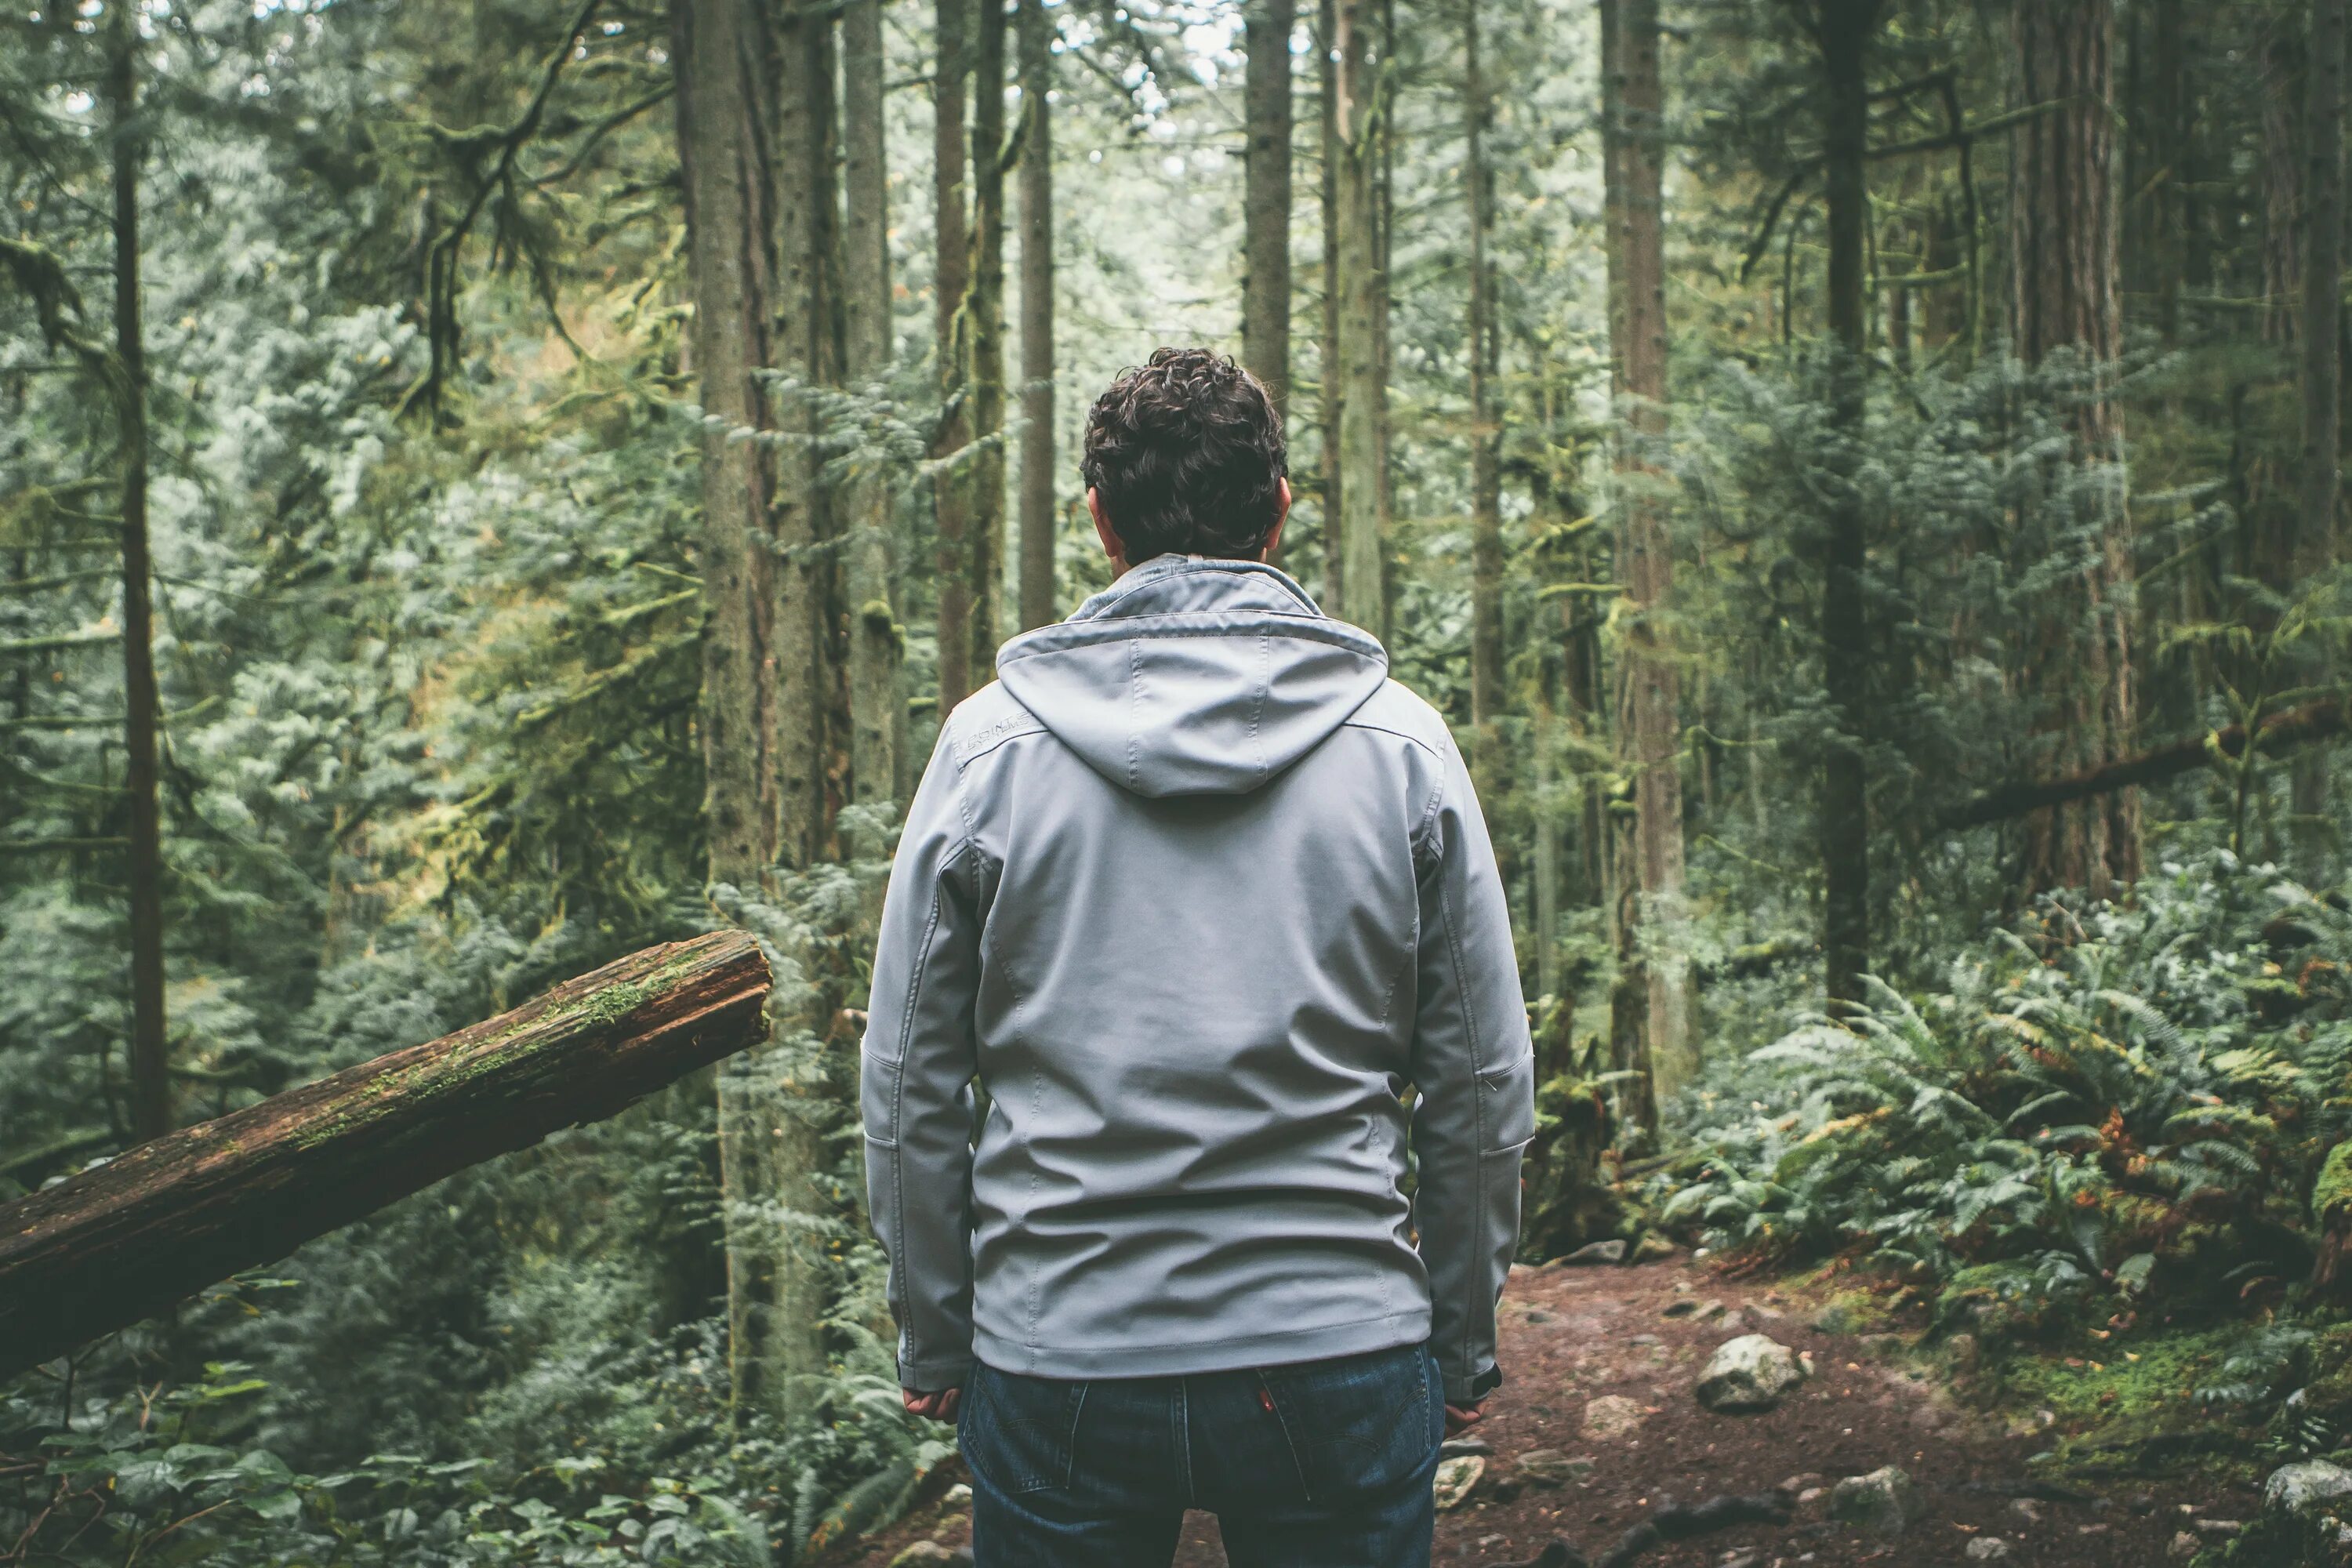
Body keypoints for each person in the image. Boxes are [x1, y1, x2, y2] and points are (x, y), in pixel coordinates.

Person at [860, 347, 1535, 1568]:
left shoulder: (988, 751)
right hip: (1338, 1342)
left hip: (1060, 1349)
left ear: (1098, 522)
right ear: (1279, 507)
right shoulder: (1400, 747)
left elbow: (909, 1080)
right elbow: (1483, 1084)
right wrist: (1463, 1336)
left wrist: (938, 1334)